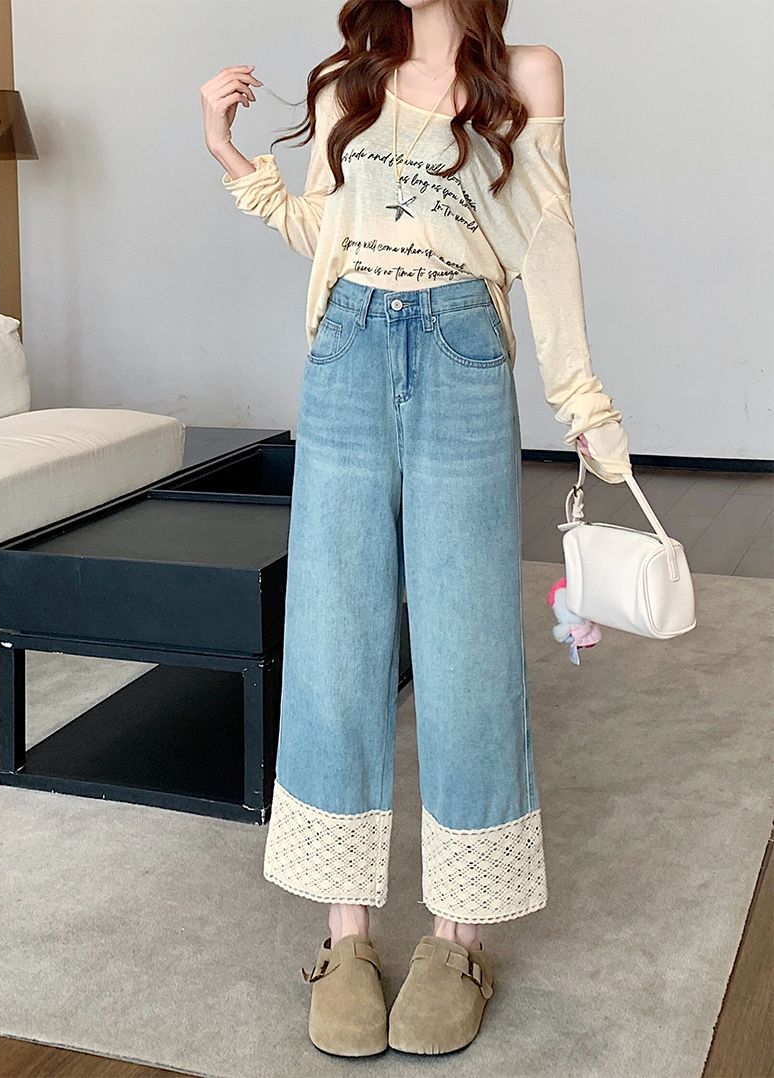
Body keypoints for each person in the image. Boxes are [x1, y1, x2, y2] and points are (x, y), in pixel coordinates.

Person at [200, 0, 632, 1058]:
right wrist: (226, 151)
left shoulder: (525, 73)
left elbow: (546, 239)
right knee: (334, 637)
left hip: (461, 348)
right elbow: (324, 230)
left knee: (467, 643)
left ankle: (457, 938)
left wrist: (581, 399)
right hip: (345, 349)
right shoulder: (343, 78)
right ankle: (346, 937)